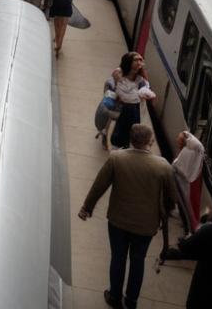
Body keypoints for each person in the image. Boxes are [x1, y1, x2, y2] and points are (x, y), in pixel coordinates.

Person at [79, 124, 179, 309]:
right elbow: (172, 197)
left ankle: (114, 296)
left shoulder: (117, 159)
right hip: (146, 225)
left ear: (131, 140)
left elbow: (99, 186)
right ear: (151, 141)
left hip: (118, 221)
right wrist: (164, 212)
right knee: (138, 260)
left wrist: (87, 207)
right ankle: (131, 300)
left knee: (118, 257)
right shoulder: (162, 166)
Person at [110, 53, 154, 150]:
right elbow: (124, 95)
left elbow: (144, 91)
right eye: (136, 60)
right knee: (119, 131)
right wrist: (138, 95)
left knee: (131, 130)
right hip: (121, 109)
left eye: (140, 60)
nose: (139, 62)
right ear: (128, 61)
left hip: (134, 111)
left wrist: (146, 94)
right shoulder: (119, 73)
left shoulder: (141, 79)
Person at [172, 131, 205, 230]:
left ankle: (190, 225)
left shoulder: (188, 151)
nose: (177, 143)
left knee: (187, 203)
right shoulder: (194, 148)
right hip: (194, 179)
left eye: (179, 141)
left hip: (188, 183)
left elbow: (178, 167)